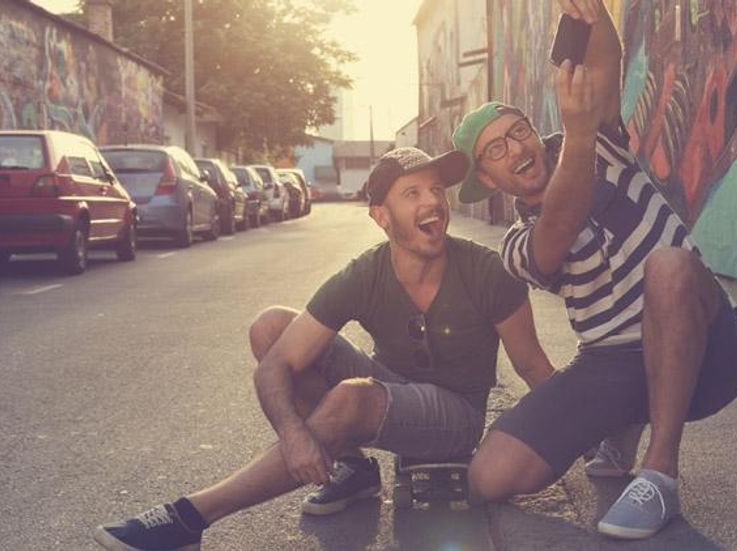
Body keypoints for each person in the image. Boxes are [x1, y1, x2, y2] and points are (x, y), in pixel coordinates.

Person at [92, 146, 555, 551]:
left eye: (435, 190)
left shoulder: (485, 270)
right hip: (393, 394)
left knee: (354, 396)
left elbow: (533, 365)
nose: (433, 201)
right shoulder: (365, 273)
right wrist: (294, 437)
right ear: (381, 216)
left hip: (454, 420)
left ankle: (192, 515)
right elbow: (274, 364)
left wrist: (588, 438)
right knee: (271, 327)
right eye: (412, 193)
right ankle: (352, 470)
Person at [449, 0, 737, 540]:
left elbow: (604, 63)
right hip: (612, 360)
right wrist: (580, 134)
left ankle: (658, 475)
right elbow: (558, 227)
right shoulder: (518, 245)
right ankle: (623, 421)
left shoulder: (599, 140)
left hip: (709, 350)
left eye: (517, 131)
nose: (515, 147)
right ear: (490, 180)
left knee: (669, 267)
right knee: (489, 475)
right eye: (495, 150)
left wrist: (590, 13)